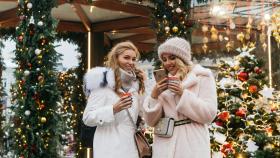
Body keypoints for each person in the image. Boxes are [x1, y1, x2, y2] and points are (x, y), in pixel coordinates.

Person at [142, 37, 217, 158]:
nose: (167, 63)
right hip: (164, 144)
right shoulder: (162, 83)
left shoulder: (202, 77)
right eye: (164, 59)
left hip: (192, 144)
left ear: (182, 58)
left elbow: (209, 114)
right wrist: (154, 96)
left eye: (172, 58)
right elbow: (151, 122)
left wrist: (183, 94)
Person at [82, 41, 145, 158]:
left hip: (131, 147)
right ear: (116, 58)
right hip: (108, 146)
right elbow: (87, 118)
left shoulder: (135, 86)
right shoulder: (102, 84)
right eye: (126, 58)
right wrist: (113, 109)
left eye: (133, 59)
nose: (131, 62)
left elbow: (137, 116)